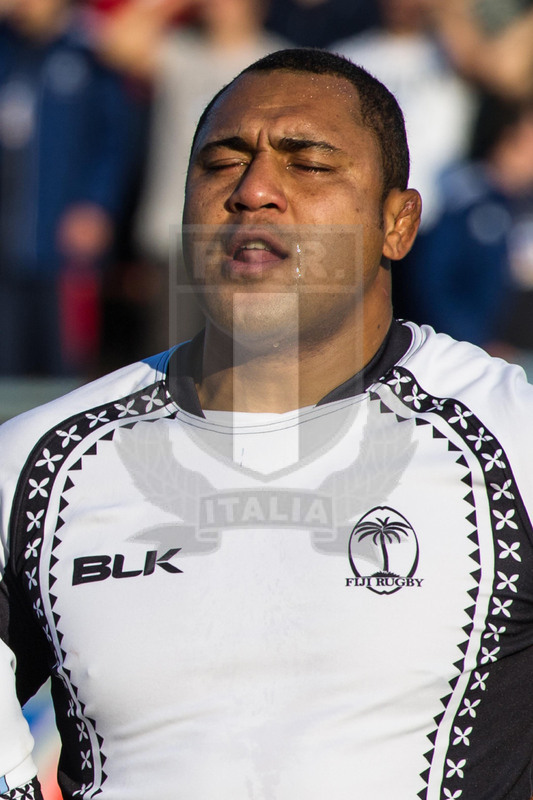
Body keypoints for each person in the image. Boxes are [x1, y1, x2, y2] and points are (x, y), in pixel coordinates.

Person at [1, 48, 533, 800]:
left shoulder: (512, 439)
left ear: (397, 223)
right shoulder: (37, 463)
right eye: (220, 163)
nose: (253, 191)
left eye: (308, 164)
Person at [0, 0, 142, 376]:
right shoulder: (6, 50)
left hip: (63, 248)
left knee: (63, 368)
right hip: (7, 246)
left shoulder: (90, 54)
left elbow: (114, 141)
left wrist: (97, 205)